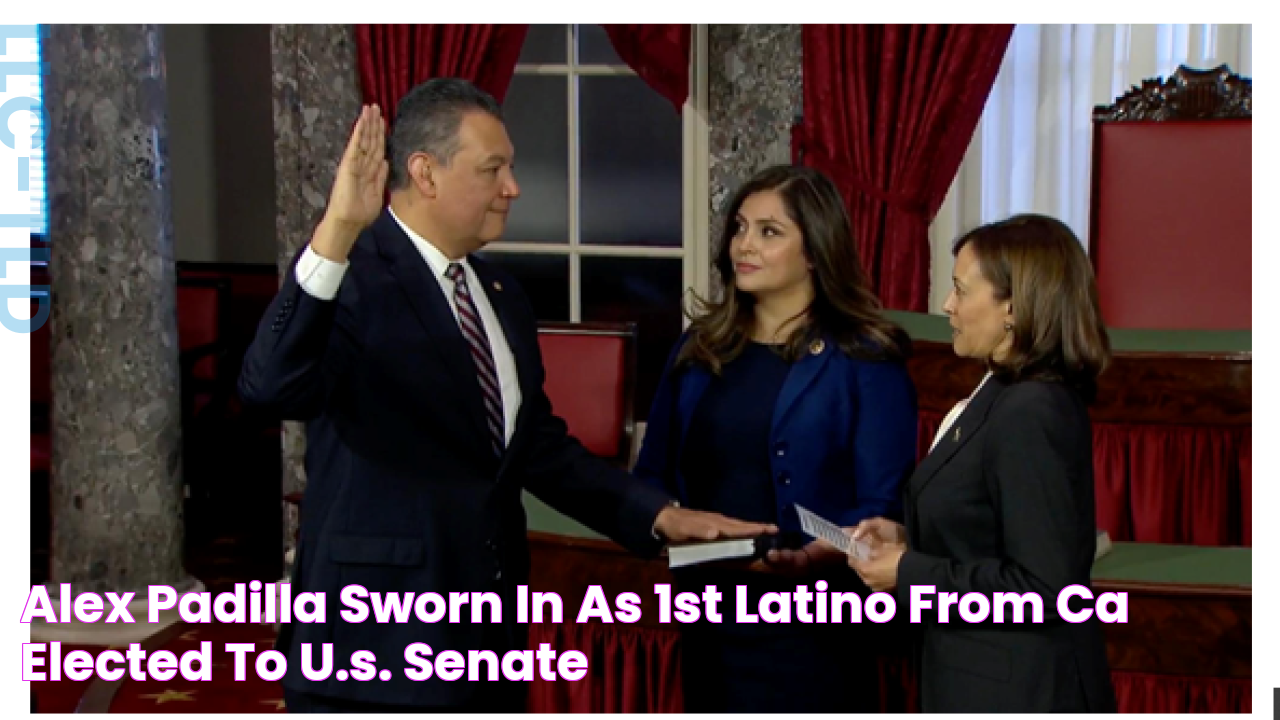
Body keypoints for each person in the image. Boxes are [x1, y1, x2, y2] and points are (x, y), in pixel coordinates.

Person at [237, 78, 773, 713]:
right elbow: (266, 387)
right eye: (494, 169)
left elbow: (535, 447)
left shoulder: (499, 294)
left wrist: (659, 515)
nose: (512, 188)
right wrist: (335, 233)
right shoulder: (351, 275)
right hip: (373, 650)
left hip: (485, 640)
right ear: (425, 174)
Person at [632, 165, 919, 712]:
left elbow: (881, 505)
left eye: (769, 231)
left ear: (814, 251)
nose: (744, 244)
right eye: (740, 228)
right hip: (709, 611)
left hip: (816, 624)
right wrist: (671, 532)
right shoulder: (699, 348)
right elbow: (653, 474)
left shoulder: (866, 358)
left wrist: (812, 558)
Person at [847, 214, 1118, 712]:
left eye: (960, 290)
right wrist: (909, 539)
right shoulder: (1000, 392)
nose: (947, 305)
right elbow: (989, 532)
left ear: (1012, 306)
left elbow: (1043, 587)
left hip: (1020, 693)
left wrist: (909, 572)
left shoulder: (1032, 409)